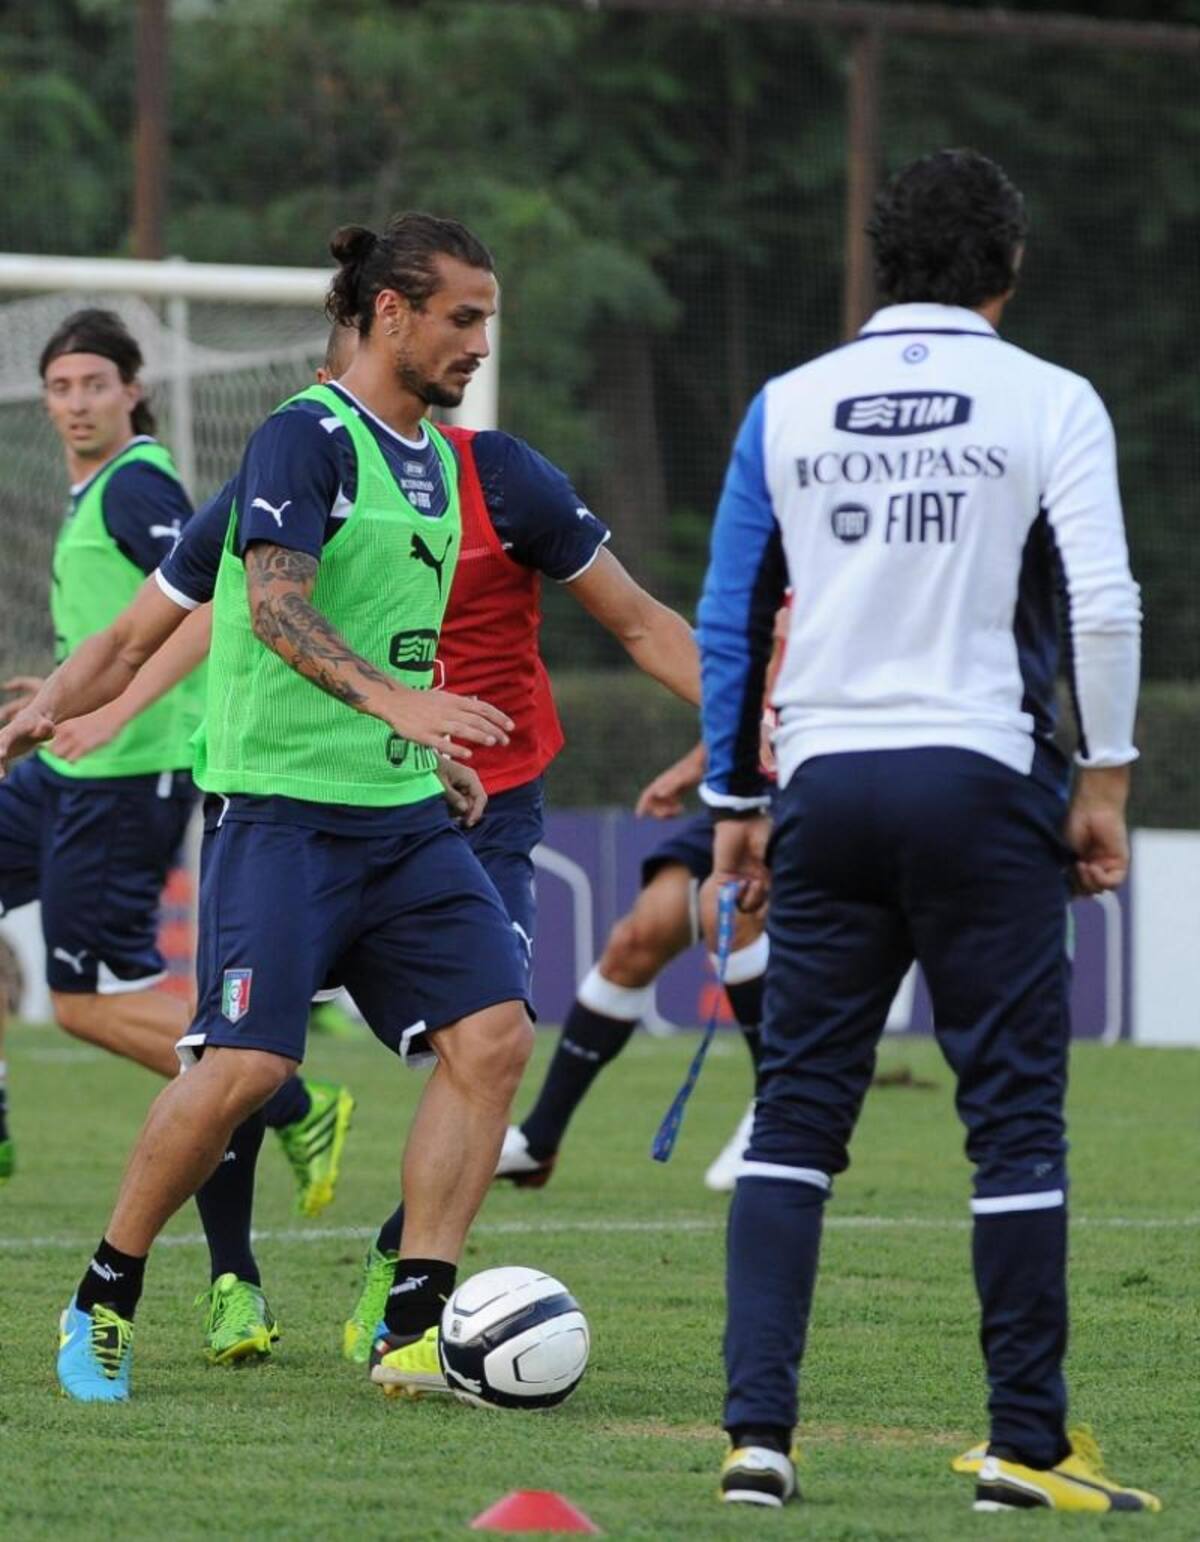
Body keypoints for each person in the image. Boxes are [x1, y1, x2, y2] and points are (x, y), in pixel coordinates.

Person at [699, 150, 1159, 1513]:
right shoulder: (1049, 400)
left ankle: (756, 1442)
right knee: (1013, 1125)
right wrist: (1109, 784)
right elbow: (1109, 605)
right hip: (982, 779)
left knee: (795, 1116)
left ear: (880, 262)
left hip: (828, 789)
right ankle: (1025, 1444)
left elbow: (734, 614)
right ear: (1007, 269)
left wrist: (737, 804)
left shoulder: (787, 403)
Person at [23, 212, 534, 1404]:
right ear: (391, 313)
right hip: (281, 818)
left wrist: (427, 738)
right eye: (462, 319)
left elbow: (163, 616)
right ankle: (104, 1295)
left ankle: (416, 1323)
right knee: (245, 1064)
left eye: (487, 322)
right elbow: (273, 604)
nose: (477, 345)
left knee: (494, 1039)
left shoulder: (431, 458)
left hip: (403, 816)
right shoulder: (304, 440)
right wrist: (396, 702)